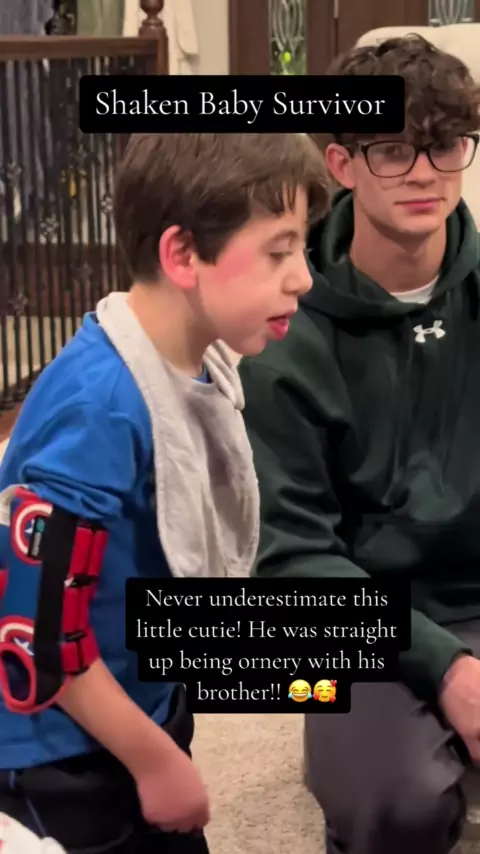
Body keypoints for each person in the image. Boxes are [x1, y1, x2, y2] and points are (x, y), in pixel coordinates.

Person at [0, 133, 330, 854]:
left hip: (140, 697)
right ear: (183, 255)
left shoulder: (197, 363)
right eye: (278, 252)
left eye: (303, 249)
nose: (303, 278)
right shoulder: (99, 409)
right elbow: (41, 636)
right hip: (61, 752)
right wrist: (154, 761)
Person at [238, 35, 480, 854]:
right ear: (341, 163)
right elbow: (289, 554)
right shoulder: (282, 331)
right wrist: (445, 666)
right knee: (395, 806)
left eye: (445, 145)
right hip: (359, 618)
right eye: (393, 149)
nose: (424, 173)